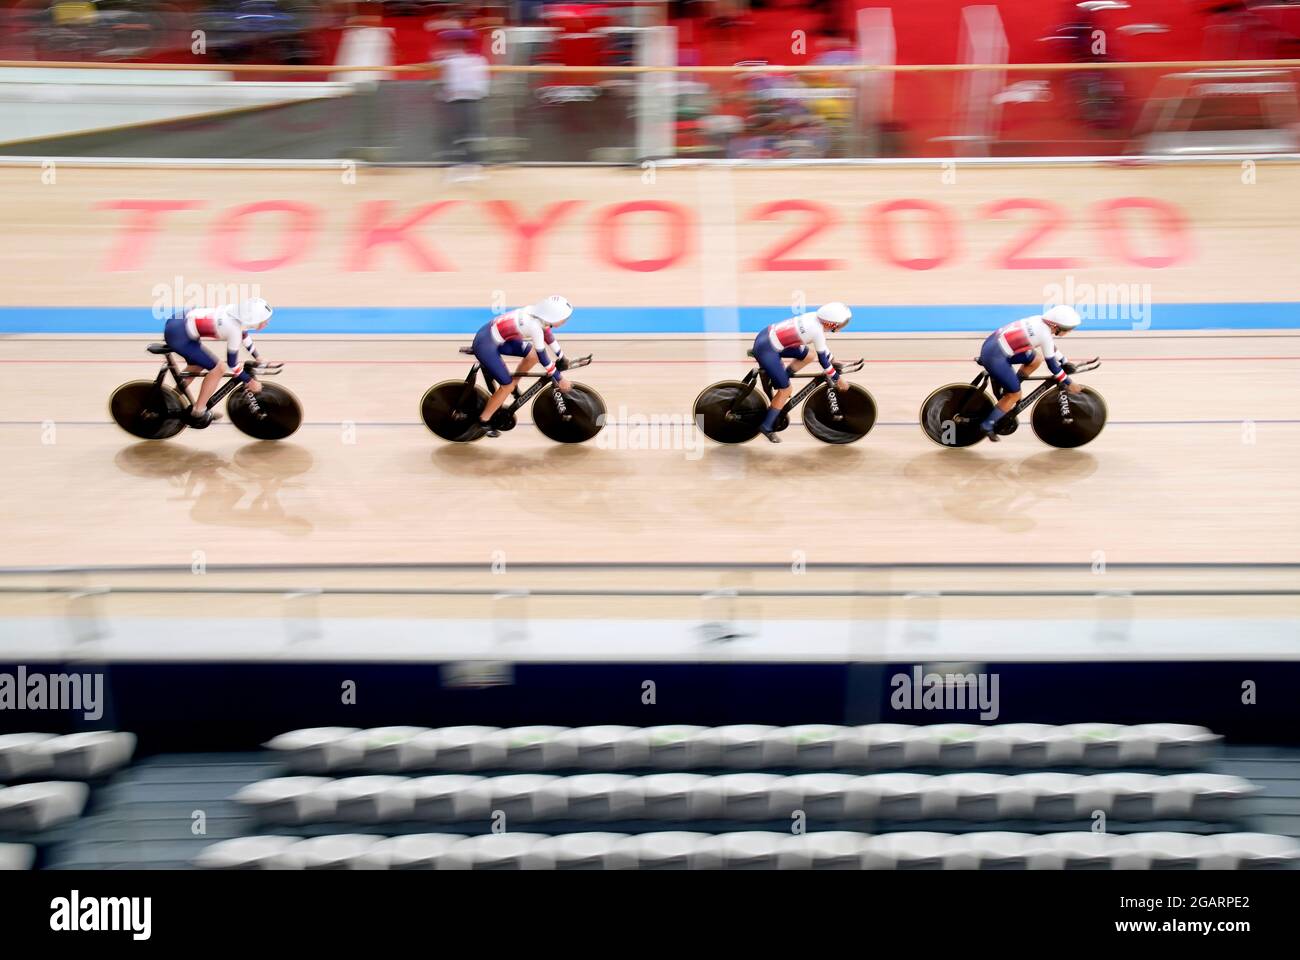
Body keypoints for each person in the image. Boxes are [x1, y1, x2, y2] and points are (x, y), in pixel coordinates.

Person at [979, 304, 1083, 442]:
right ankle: (987, 424)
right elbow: (1052, 366)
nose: (1069, 332)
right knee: (1015, 395)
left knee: (1036, 359)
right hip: (995, 357)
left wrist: (1064, 361)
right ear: (1055, 326)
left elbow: (1050, 346)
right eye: (1067, 329)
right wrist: (1069, 383)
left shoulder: (1039, 320)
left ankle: (1009, 387)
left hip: (993, 346)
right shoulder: (1044, 334)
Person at [473, 295, 574, 438]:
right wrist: (559, 377)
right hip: (486, 344)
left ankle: (513, 385)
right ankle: (483, 420)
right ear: (552, 317)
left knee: (531, 356)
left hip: (496, 336)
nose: (565, 321)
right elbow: (542, 356)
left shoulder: (538, 315)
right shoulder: (534, 326)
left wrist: (562, 356)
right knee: (505, 386)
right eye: (563, 318)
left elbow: (548, 335)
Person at [163, 298, 271, 427]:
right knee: (219, 368)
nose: (267, 323)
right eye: (264, 321)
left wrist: (257, 357)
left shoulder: (235, 313)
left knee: (196, 366)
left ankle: (171, 399)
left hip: (180, 325)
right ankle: (198, 411)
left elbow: (244, 334)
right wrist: (249, 381)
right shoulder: (233, 330)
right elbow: (232, 364)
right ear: (253, 320)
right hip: (179, 334)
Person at [753, 302, 851, 443]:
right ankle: (766, 426)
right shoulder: (817, 331)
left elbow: (821, 348)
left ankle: (780, 379)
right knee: (786, 390)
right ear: (830, 324)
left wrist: (833, 360)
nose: (841, 327)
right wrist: (838, 379)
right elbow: (823, 361)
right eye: (841, 324)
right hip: (767, 349)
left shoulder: (814, 317)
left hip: (767, 336)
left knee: (809, 355)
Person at [439, 31, 490, 182]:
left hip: (470, 100)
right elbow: (447, 82)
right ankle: (461, 165)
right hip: (455, 101)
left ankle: (472, 165)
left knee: (469, 133)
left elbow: (481, 83)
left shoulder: (477, 61)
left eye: (459, 42)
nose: (456, 46)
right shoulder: (450, 61)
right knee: (458, 133)